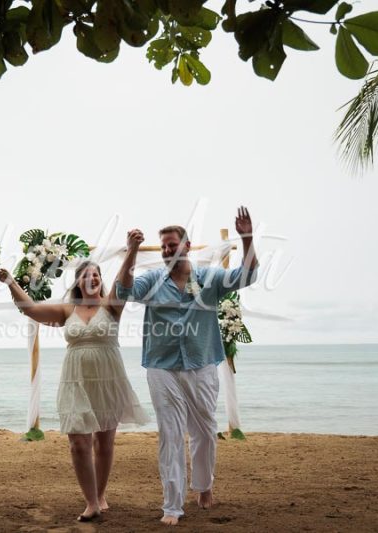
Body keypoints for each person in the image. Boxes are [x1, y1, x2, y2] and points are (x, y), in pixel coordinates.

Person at [115, 207, 259, 526]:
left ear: (187, 246)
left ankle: (204, 486)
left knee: (206, 431)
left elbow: (247, 276)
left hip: (202, 364)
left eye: (172, 245)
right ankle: (172, 506)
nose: (167, 250)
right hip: (161, 368)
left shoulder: (209, 278)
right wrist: (132, 253)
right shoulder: (152, 281)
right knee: (171, 434)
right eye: (164, 246)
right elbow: (123, 290)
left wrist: (247, 238)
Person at [0, 260, 148, 522]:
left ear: (102, 279)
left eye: (97, 275)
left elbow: (124, 280)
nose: (92, 278)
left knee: (104, 442)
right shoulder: (67, 309)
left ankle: (100, 496)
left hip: (107, 378)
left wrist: (131, 250)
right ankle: (91, 503)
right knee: (78, 443)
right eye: (86, 275)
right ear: (78, 281)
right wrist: (11, 282)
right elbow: (30, 309)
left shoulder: (112, 305)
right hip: (75, 379)